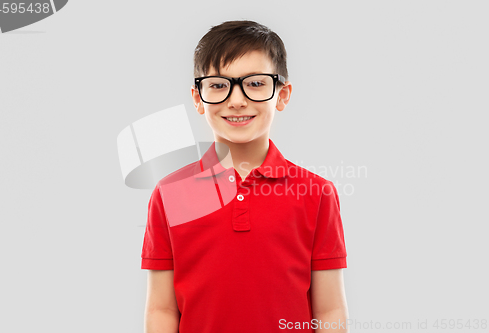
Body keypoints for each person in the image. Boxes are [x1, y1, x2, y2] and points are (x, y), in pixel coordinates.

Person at [141, 20, 349, 333]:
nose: (236, 100)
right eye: (218, 85)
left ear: (282, 94)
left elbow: (330, 309)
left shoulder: (317, 194)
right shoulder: (169, 193)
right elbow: (161, 310)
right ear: (198, 98)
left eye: (255, 83)